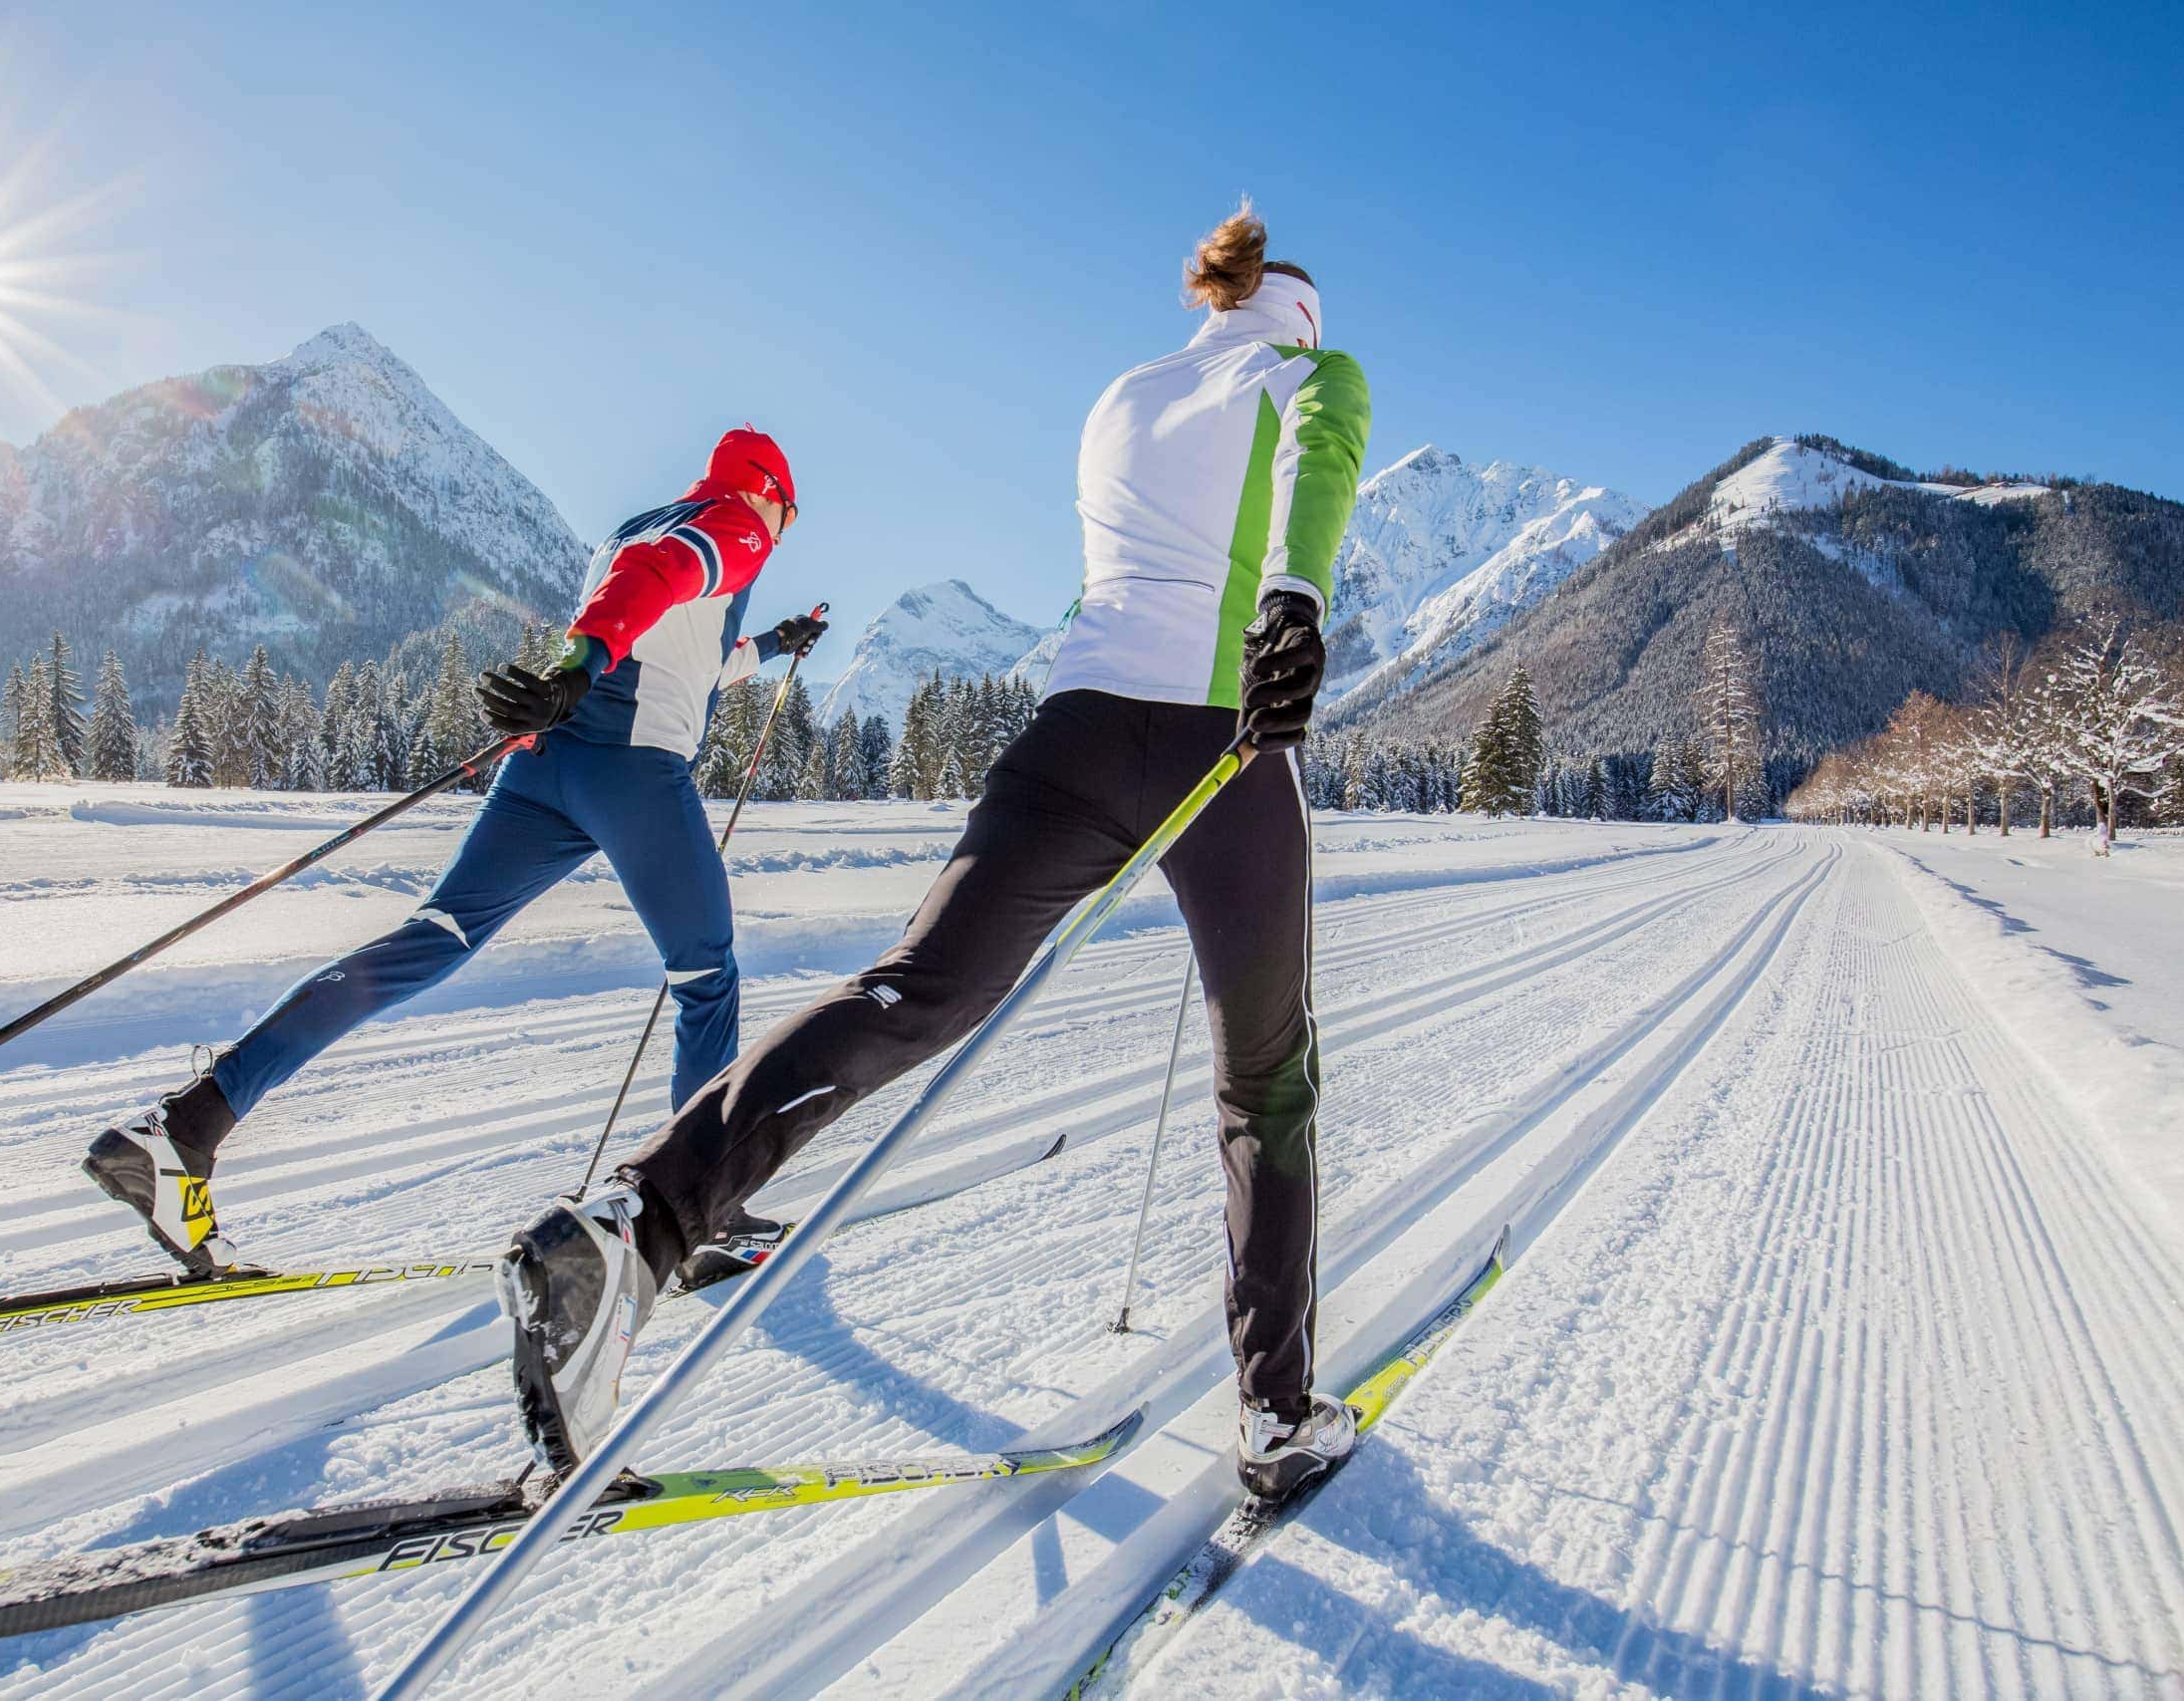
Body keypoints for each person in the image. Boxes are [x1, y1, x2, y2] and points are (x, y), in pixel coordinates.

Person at [499, 205, 1372, 1502]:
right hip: (1226, 743)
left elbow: (1127, 570)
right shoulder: (1314, 369)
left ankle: (638, 1221)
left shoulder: (1125, 396)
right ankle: (1277, 1411)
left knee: (913, 989)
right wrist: (1295, 604)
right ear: (1298, 312)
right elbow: (1324, 460)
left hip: (1074, 734)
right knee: (1266, 1080)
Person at [84, 427, 826, 1279]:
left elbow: (684, 647)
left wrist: (774, 643)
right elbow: (658, 575)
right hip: (632, 770)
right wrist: (583, 659)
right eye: (790, 510)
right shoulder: (733, 522)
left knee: (429, 940)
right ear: (765, 486)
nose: (783, 528)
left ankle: (190, 1125)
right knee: (707, 975)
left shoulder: (640, 521)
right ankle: (702, 1210)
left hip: (545, 766)